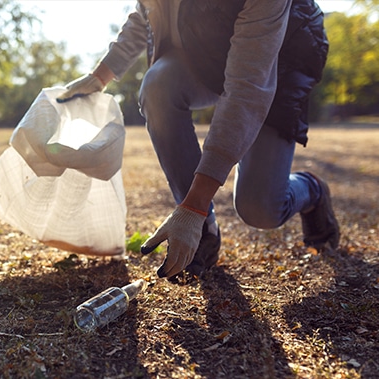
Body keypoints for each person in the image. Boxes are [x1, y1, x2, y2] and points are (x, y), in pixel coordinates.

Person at [57, 0, 339, 279]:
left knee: (261, 209)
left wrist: (195, 204)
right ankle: (204, 230)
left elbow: (246, 88)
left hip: (281, 55)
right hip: (207, 51)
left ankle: (312, 190)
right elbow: (146, 12)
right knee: (158, 86)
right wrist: (100, 76)